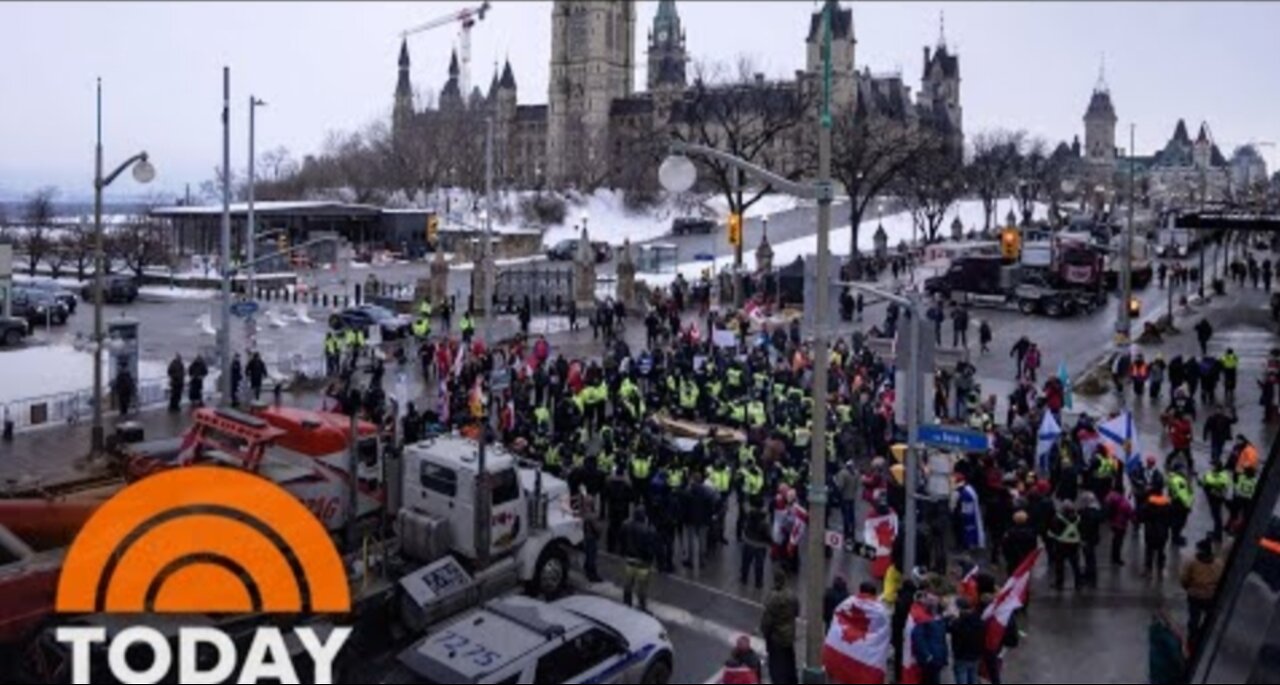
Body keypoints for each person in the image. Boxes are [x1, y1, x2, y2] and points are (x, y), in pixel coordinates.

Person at [1181, 539, 1224, 653]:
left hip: (1195, 595)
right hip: (1210, 596)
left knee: (1194, 618)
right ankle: (1202, 637)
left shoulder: (1192, 562)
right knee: (1208, 618)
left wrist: (1188, 588)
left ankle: (1191, 641)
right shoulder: (1218, 563)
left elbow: (1184, 579)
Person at [760, 573, 799, 685]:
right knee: (789, 664)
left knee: (776, 669)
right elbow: (796, 612)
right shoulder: (792, 596)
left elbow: (767, 622)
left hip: (776, 638)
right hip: (789, 635)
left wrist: (766, 633)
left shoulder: (772, 599)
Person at [621, 507, 657, 612]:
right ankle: (642, 606)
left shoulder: (626, 526)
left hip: (630, 560)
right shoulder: (649, 530)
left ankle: (627, 604)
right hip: (643, 563)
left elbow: (622, 540)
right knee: (642, 587)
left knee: (628, 584)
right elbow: (651, 548)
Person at [911, 595, 949, 685]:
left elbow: (918, 638)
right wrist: (927, 655)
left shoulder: (934, 620)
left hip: (933, 657)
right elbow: (918, 639)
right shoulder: (934, 621)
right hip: (932, 657)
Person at [949, 597, 986, 685]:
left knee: (962, 678)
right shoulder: (979, 620)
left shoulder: (958, 623)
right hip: (976, 655)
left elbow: (950, 628)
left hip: (962, 656)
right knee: (973, 678)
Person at [1048, 501, 1083, 591]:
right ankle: (1078, 583)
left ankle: (1059, 583)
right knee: (1075, 564)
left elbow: (1053, 530)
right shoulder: (1078, 518)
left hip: (1061, 543)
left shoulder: (1058, 518)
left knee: (1059, 564)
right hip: (1074, 543)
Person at [1141, 486, 1175, 578]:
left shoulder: (1148, 504)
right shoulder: (1167, 504)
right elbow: (1171, 519)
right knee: (1161, 550)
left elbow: (1142, 517)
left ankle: (1148, 570)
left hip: (1150, 531)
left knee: (1149, 551)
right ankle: (1160, 570)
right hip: (1163, 532)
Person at [740, 504, 770, 590]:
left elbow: (744, 527)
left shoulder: (749, 517)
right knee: (759, 565)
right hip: (760, 546)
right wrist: (770, 542)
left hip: (748, 542)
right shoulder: (764, 523)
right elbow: (767, 535)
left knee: (745, 562)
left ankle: (744, 578)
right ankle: (758, 583)